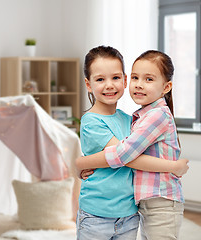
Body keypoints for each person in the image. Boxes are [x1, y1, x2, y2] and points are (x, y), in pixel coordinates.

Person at [76, 49, 187, 240]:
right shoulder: (91, 121)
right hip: (97, 212)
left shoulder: (132, 120)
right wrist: (81, 163)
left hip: (129, 212)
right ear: (88, 84)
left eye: (116, 77)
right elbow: (125, 157)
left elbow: (125, 155)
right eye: (100, 79)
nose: (109, 85)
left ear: (124, 81)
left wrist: (83, 162)